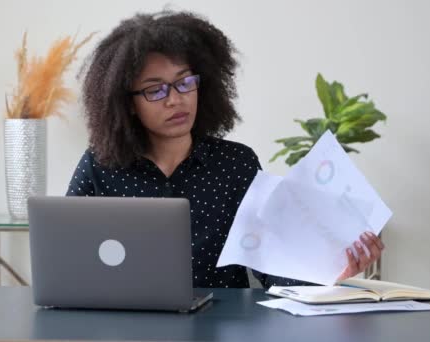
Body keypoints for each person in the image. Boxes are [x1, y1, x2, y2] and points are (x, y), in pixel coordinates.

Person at [66, 10, 384, 288]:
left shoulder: (236, 164)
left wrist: (334, 272)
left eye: (185, 82)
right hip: (127, 324)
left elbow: (273, 269)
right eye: (155, 90)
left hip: (221, 327)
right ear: (128, 104)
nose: (175, 99)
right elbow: (67, 256)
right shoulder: (101, 164)